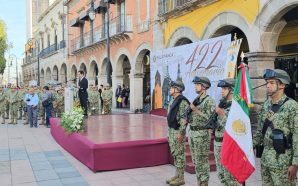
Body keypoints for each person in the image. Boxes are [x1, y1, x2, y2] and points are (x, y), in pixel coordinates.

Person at [253, 69, 298, 186]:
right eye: (267, 82)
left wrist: (295, 163)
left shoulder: (292, 106)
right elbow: (259, 131)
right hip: (266, 159)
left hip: (283, 161)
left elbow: (297, 135)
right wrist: (246, 147)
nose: (268, 85)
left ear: (282, 85)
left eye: (272, 83)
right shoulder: (266, 104)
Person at [188, 76, 216, 186]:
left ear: (204, 86)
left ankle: (204, 183)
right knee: (196, 160)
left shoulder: (209, 101)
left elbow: (211, 119)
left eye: (197, 84)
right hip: (193, 133)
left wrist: (196, 110)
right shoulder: (197, 99)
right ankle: (199, 181)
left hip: (202, 134)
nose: (196, 86)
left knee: (202, 161)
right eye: (195, 84)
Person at [213, 78, 240, 186]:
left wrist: (222, 114)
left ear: (232, 90)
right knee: (221, 175)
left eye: (224, 88)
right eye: (222, 88)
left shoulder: (237, 105)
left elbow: (237, 126)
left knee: (231, 178)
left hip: (229, 145)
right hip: (218, 143)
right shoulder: (222, 103)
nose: (222, 91)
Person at [166, 79, 189, 186]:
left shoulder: (182, 101)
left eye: (172, 88)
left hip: (178, 132)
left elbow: (184, 119)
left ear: (177, 89)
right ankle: (177, 175)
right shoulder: (173, 100)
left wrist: (181, 133)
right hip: (172, 130)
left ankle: (181, 178)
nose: (170, 89)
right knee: (175, 154)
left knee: (179, 155)